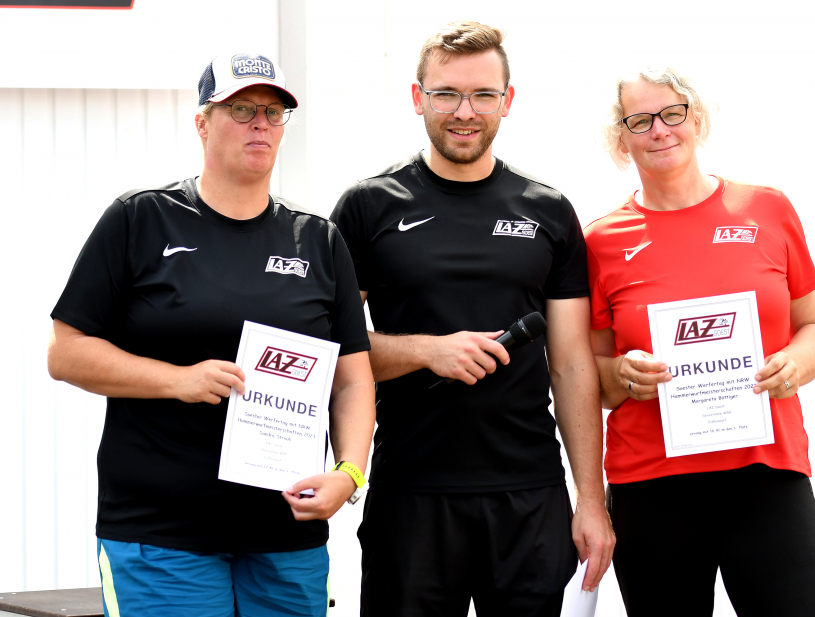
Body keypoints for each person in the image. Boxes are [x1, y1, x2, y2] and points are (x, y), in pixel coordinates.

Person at [47, 52, 376, 617]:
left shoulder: (318, 240)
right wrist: (176, 380)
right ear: (202, 122)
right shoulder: (140, 220)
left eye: (274, 114)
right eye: (242, 109)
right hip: (163, 535)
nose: (260, 125)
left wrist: (348, 473)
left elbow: (351, 382)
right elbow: (67, 353)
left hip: (285, 537)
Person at [329, 21, 614, 617]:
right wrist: (426, 351)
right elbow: (337, 353)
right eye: (446, 94)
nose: (465, 111)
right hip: (411, 494)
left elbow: (569, 365)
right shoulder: (368, 206)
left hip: (529, 496)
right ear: (418, 98)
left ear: (507, 102)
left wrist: (592, 498)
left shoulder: (548, 211)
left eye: (483, 95)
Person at [585, 67, 815, 616]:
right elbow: (594, 381)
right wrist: (624, 375)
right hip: (652, 486)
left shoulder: (768, 209)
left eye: (672, 113)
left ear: (696, 119)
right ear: (620, 138)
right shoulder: (600, 241)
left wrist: (792, 362)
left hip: (766, 473)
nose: (660, 130)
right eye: (640, 120)